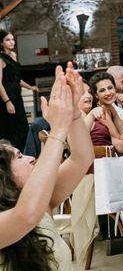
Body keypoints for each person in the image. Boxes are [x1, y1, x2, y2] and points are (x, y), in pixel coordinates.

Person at [0, 63, 93, 270]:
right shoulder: (24, 213)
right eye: (20, 156)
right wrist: (58, 130)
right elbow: (26, 215)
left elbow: (81, 158)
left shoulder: (44, 201)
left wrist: (74, 113)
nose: (31, 158)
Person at [0, 30, 39, 151]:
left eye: (12, 39)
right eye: (7, 40)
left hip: (17, 96)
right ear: (1, 42)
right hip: (7, 97)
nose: (11, 42)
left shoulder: (13, 56)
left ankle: (18, 155)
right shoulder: (0, 59)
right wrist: (7, 102)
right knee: (10, 130)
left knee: (23, 128)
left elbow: (17, 78)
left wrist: (30, 87)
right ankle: (9, 159)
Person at [86, 72, 123, 155]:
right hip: (103, 158)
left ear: (115, 88)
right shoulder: (100, 111)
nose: (108, 93)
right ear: (96, 95)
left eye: (110, 88)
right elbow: (121, 139)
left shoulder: (110, 107)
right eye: (102, 90)